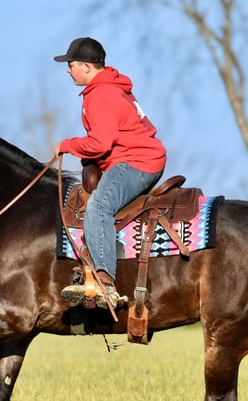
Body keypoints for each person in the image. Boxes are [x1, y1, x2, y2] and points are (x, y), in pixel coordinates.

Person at [53, 37, 166, 308]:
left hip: (136, 162)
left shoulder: (102, 94)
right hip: (137, 157)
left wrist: (66, 146)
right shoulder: (111, 88)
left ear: (87, 67)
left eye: (71, 65)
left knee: (99, 206)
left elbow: (99, 144)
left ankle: (105, 284)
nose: (68, 70)